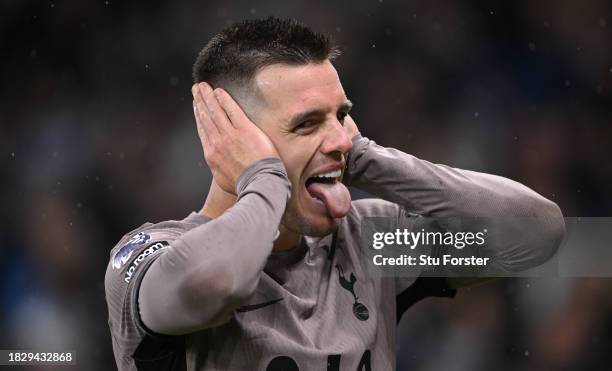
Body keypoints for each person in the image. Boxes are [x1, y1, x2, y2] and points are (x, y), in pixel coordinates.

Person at [104, 17, 565, 370]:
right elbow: (216, 284)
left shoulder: (369, 244)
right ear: (233, 137)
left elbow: (536, 234)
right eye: (306, 123)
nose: (340, 139)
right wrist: (263, 177)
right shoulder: (151, 253)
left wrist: (366, 158)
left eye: (340, 116)